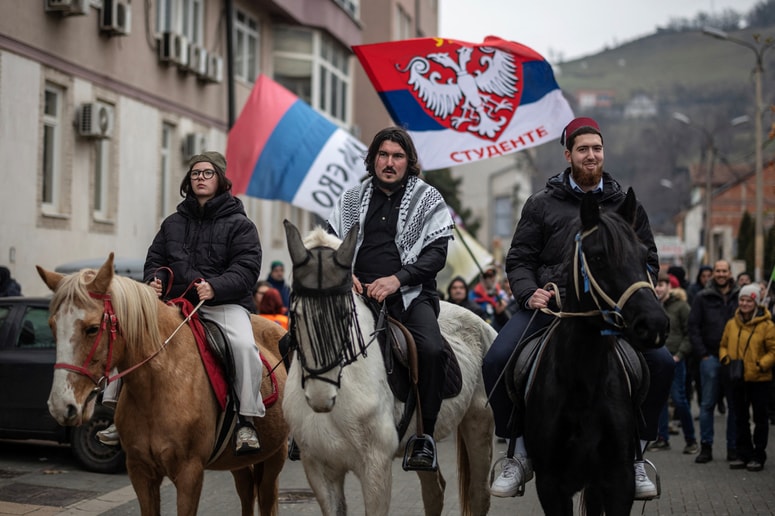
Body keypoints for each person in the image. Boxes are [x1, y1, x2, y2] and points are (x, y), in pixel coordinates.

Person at [483, 117, 673, 500]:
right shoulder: (541, 203)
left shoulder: (624, 204)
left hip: (610, 312)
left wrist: (637, 292)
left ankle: (635, 456)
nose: (591, 155)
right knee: (496, 360)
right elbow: (519, 259)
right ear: (568, 155)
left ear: (604, 153)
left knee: (663, 363)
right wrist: (529, 292)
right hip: (550, 309)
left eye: (597, 149)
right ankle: (518, 453)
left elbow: (647, 259)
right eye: (583, 149)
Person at [99, 151, 265, 455]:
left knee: (244, 348)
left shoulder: (241, 225)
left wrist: (216, 287)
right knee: (130, 336)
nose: (200, 178)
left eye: (207, 173)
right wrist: (155, 279)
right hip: (174, 305)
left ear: (222, 180)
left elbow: (247, 268)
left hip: (222, 304)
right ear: (188, 181)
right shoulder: (172, 223)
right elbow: (156, 259)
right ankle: (115, 414)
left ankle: (245, 421)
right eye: (195, 173)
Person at [327, 126, 454, 471]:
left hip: (410, 295)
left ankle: (423, 438)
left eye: (397, 156)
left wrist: (397, 280)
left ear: (408, 162)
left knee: (430, 349)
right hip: (354, 292)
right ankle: (306, 428)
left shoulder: (429, 199)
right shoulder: (352, 198)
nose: (389, 162)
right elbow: (328, 242)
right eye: (383, 155)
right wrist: (345, 274)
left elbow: (436, 255)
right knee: (305, 337)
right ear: (373, 159)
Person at [689, 259, 739, 464]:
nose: (720, 274)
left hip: (734, 359)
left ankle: (733, 448)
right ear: (713, 274)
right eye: (717, 271)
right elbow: (693, 327)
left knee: (734, 406)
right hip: (709, 357)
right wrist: (702, 354)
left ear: (729, 273)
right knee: (707, 404)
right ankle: (706, 447)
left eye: (724, 271)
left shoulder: (739, 296)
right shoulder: (702, 297)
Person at [720, 284, 775, 471]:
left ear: (756, 302)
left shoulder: (767, 326)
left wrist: (761, 364)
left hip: (759, 379)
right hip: (737, 378)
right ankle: (743, 454)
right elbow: (723, 344)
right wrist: (725, 358)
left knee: (760, 418)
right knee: (740, 417)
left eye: (748, 300)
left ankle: (758, 456)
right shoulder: (731, 324)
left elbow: (773, 351)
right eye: (742, 300)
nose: (744, 303)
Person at [649, 272, 698, 454]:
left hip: (675, 360)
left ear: (669, 286)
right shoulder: (651, 305)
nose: (658, 288)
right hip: (657, 361)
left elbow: (689, 333)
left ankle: (691, 440)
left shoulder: (681, 306)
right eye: (656, 285)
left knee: (679, 400)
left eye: (662, 284)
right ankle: (662, 438)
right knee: (659, 401)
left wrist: (679, 354)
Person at [471, 266, 511, 331]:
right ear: (482, 278)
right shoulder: (474, 295)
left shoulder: (501, 295)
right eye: (486, 276)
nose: (489, 279)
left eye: (492, 275)